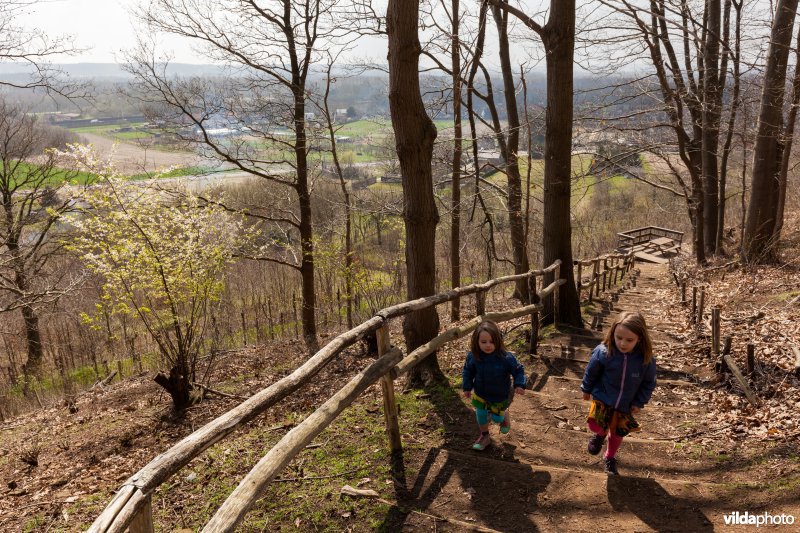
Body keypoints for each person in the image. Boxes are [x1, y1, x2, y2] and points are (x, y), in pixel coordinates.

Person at [581, 311, 657, 475]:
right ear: (613, 333)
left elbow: (649, 383)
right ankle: (600, 435)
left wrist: (639, 402)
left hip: (625, 404)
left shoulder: (645, 360)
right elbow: (591, 371)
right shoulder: (603, 352)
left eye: (629, 340)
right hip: (602, 398)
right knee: (594, 424)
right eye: (619, 337)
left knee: (618, 432)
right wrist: (586, 389)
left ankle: (609, 456)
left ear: (640, 339)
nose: (622, 343)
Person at [462, 320, 526, 451]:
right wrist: (467, 387)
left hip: (500, 395)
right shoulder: (473, 357)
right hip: (480, 394)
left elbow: (518, 370)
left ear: (498, 340)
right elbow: (468, 371)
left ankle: (504, 417)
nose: (488, 345)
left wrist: (519, 384)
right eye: (483, 342)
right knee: (480, 415)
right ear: (477, 342)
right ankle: (484, 436)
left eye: (492, 341)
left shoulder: (506, 358)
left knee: (497, 418)